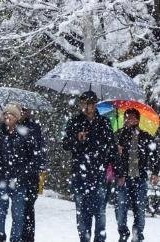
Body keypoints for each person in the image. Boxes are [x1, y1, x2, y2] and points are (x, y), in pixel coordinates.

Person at [0, 102, 42, 242]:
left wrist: (26, 172)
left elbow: (34, 157)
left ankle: (15, 239)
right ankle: (0, 237)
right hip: (0, 179)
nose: (8, 116)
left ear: (17, 118)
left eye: (12, 114)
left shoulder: (26, 134)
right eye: (6, 114)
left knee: (18, 215)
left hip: (20, 181)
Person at [63, 90, 118, 242]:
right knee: (82, 212)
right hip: (80, 173)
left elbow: (111, 147)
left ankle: (99, 239)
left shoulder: (104, 122)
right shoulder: (74, 122)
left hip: (99, 174)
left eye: (90, 104)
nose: (87, 107)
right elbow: (65, 145)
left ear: (95, 105)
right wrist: (77, 138)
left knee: (99, 212)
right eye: (84, 103)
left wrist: (117, 169)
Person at [115, 108, 159, 242]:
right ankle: (123, 233)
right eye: (127, 117)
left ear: (138, 120)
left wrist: (156, 173)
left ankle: (137, 235)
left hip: (140, 179)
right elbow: (111, 157)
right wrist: (116, 149)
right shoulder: (119, 135)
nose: (129, 119)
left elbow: (155, 156)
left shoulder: (145, 136)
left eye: (133, 117)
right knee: (120, 210)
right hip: (123, 179)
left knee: (139, 210)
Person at [19, 106, 48, 242]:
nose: (24, 112)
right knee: (19, 209)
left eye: (26, 110)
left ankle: (28, 237)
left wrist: (40, 166)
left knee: (29, 207)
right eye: (22, 109)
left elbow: (40, 148)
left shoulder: (34, 127)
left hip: (31, 173)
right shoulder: (11, 127)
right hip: (17, 173)